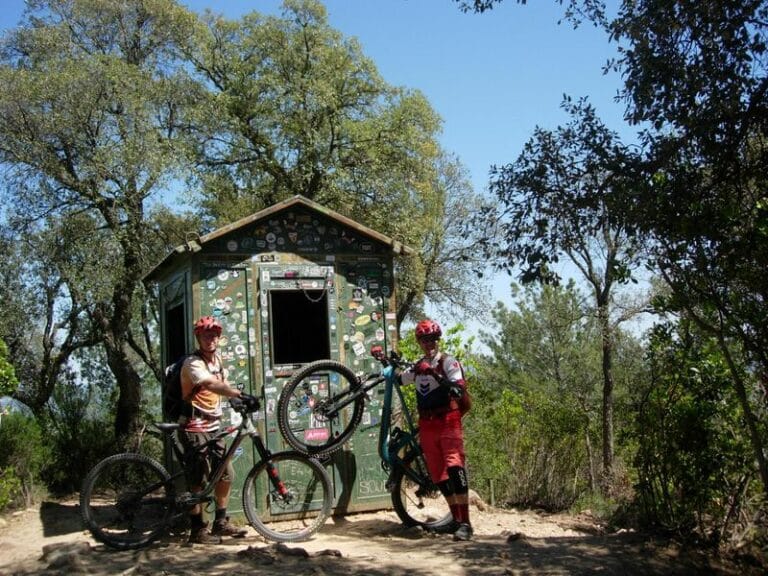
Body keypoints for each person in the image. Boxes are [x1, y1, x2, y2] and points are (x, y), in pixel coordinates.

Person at [399, 319, 473, 541]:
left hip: (448, 420)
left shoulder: (448, 363)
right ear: (419, 342)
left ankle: (466, 523)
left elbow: (458, 390)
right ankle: (455, 519)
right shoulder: (418, 365)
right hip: (427, 423)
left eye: (432, 339)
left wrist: (434, 373)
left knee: (454, 466)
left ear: (437, 340)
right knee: (438, 473)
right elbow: (400, 380)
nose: (429, 343)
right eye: (424, 340)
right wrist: (387, 362)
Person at [180, 315, 247, 544]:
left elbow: (221, 385)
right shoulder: (193, 362)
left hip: (214, 426)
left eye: (214, 335)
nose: (210, 339)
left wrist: (236, 400)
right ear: (198, 338)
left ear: (219, 338)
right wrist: (236, 393)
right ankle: (197, 530)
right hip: (194, 426)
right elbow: (208, 384)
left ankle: (220, 522)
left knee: (225, 474)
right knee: (197, 479)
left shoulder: (218, 360)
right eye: (205, 335)